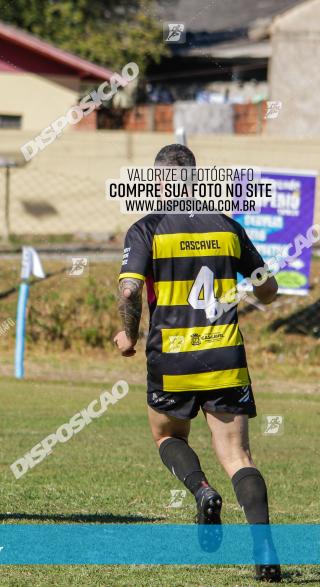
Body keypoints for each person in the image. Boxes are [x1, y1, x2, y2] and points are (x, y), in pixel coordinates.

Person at [114, 144, 281, 582]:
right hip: (225, 354)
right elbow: (267, 287)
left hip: (172, 358)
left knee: (167, 435)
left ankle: (201, 490)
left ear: (155, 182)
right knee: (238, 454)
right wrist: (261, 292)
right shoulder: (228, 227)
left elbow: (130, 291)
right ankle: (264, 549)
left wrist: (128, 335)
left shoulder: (147, 228)